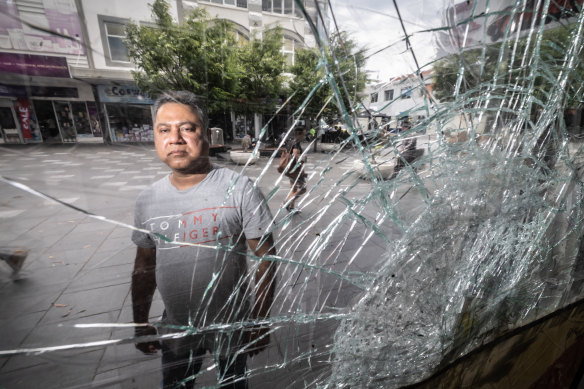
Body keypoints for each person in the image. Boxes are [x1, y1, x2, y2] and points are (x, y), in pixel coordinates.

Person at [131, 91, 277, 389]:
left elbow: (266, 260)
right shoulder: (147, 199)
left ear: (207, 135)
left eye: (187, 128)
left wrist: (259, 321)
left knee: (234, 384)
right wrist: (140, 321)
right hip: (175, 326)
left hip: (231, 323)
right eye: (164, 130)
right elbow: (144, 265)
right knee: (175, 384)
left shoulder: (240, 189)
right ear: (156, 138)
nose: (175, 138)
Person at [284, 128, 308, 213]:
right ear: (298, 133)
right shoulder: (296, 144)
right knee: (303, 189)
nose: (304, 136)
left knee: (293, 189)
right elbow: (296, 159)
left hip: (289, 169)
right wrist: (302, 171)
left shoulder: (290, 142)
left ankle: (291, 207)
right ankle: (287, 203)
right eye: (303, 134)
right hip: (295, 171)